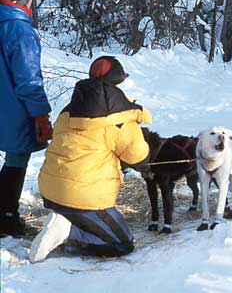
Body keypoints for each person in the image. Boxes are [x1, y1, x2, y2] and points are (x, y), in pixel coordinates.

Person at [29, 56, 151, 263]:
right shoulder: (121, 118)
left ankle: (64, 220)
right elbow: (137, 157)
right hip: (83, 197)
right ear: (118, 82)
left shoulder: (69, 110)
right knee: (122, 243)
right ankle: (68, 232)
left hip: (50, 189)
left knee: (88, 215)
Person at [0, 0, 53, 238]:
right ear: (24, 1)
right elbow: (28, 80)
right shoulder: (20, 30)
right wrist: (41, 115)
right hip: (14, 108)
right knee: (17, 158)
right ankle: (7, 219)